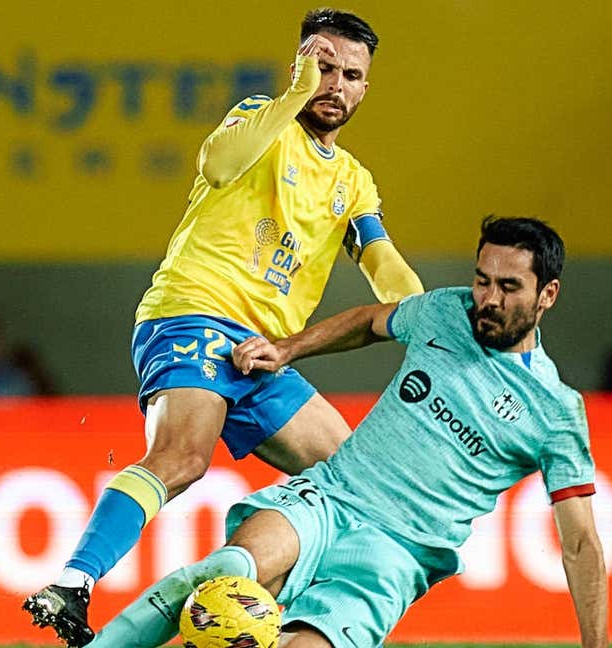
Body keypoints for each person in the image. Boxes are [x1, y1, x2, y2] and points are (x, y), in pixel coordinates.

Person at [23, 8, 423, 646]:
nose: (335, 86)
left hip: (264, 356)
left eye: (351, 75)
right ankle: (72, 583)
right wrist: (293, 93)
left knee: (354, 480)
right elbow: (216, 165)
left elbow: (385, 267)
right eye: (323, 68)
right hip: (193, 313)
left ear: (365, 87)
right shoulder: (258, 119)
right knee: (182, 459)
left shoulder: (351, 183)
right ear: (300, 66)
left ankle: (268, 609)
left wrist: (432, 320)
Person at [85, 217, 607, 648]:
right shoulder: (447, 312)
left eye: (509, 286)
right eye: (482, 279)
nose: (487, 299)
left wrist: (595, 645)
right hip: (331, 496)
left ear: (548, 294)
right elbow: (370, 320)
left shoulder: (556, 412)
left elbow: (580, 542)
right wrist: (287, 349)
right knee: (218, 577)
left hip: (396, 556)